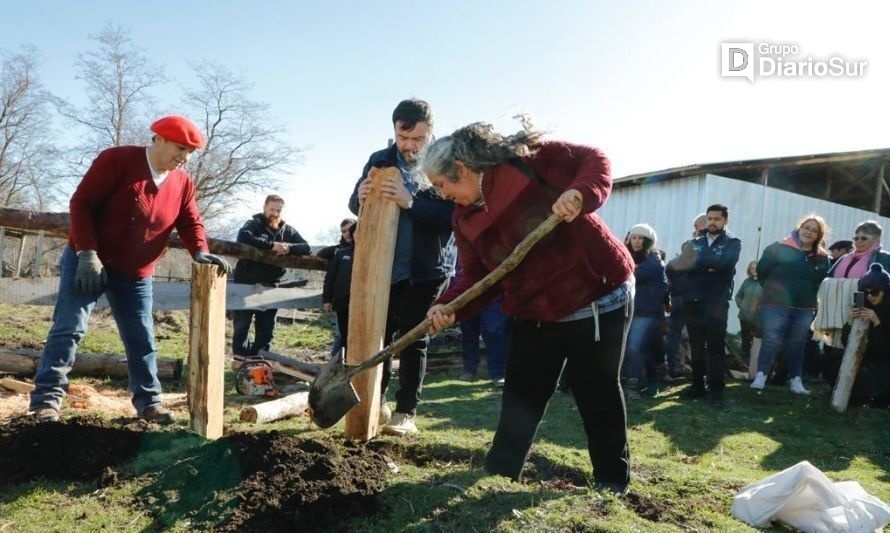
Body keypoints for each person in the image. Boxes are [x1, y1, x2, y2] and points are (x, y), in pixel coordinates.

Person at [423, 119, 635, 495]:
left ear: (463, 169)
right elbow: (477, 277)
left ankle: (612, 481)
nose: (442, 194)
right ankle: (502, 472)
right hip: (535, 307)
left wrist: (581, 193)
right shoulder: (465, 218)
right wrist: (448, 306)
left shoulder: (530, 161)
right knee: (522, 391)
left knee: (595, 389)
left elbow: (595, 160)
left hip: (595, 292)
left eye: (443, 184)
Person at [29, 115, 230, 424]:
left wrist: (200, 251)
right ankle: (45, 402)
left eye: (190, 152)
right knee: (69, 328)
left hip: (136, 272)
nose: (184, 158)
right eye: (180, 148)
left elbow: (190, 221)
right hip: (88, 261)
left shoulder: (181, 182)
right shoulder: (117, 161)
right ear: (159, 139)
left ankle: (149, 404)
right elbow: (81, 203)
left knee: (141, 337)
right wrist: (86, 253)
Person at [348, 98, 453, 436]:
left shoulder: (447, 163)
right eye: (402, 137)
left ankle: (406, 412)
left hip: (426, 270)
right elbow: (353, 203)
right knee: (378, 336)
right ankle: (375, 401)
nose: (408, 146)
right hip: (383, 267)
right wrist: (360, 194)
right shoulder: (380, 159)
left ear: (431, 133)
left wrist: (409, 202)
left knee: (412, 340)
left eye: (417, 139)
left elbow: (452, 217)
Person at [750, 215, 831, 394]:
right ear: (799, 228)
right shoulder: (778, 248)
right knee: (771, 340)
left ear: (819, 235)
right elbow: (763, 271)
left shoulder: (824, 259)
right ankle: (761, 376)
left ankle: (796, 381)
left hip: (805, 308)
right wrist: (773, 292)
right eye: (806, 227)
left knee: (797, 344)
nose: (809, 232)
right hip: (775, 305)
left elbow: (821, 283)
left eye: (814, 230)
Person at [676, 204, 741, 408]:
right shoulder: (694, 242)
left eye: (717, 219)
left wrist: (700, 263)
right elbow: (683, 265)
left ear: (725, 220)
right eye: (710, 218)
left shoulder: (733, 242)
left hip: (717, 302)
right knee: (696, 346)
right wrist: (708, 265)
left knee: (715, 347)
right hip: (692, 300)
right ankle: (697, 386)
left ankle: (717, 391)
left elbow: (724, 264)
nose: (712, 222)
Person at [231, 194, 310, 356]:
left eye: (278, 210)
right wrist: (271, 245)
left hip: (271, 286)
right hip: (246, 282)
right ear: (264, 207)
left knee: (266, 329)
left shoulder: (288, 230)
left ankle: (260, 360)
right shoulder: (254, 224)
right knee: (241, 326)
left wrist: (289, 249)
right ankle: (240, 360)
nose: (275, 213)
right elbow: (244, 238)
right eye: (272, 209)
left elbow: (306, 247)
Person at [622, 223, 668, 400]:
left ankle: (633, 384)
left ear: (648, 241)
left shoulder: (654, 259)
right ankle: (651, 379)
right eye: (634, 237)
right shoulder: (628, 256)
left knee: (633, 346)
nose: (636, 241)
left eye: (641, 238)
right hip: (630, 310)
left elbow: (632, 274)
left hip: (647, 312)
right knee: (639, 347)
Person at [664, 213, 708, 376]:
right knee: (696, 335)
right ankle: (698, 370)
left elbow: (668, 274)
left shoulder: (677, 263)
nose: (694, 231)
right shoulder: (702, 252)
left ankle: (672, 366)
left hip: (678, 298)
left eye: (696, 227)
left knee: (675, 334)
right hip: (692, 299)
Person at [848, 264, 890, 408]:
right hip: (867, 356)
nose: (870, 296)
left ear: (885, 291)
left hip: (884, 359)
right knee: (834, 359)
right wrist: (851, 323)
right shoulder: (863, 304)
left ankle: (881, 399)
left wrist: (877, 322)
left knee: (881, 368)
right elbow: (845, 342)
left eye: (875, 292)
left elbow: (884, 349)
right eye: (866, 293)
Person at [316, 217, 357, 356]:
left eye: (351, 230)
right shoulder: (340, 252)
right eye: (344, 231)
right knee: (343, 335)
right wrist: (326, 299)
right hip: (342, 302)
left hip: (360, 302)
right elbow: (330, 278)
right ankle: (336, 365)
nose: (348, 234)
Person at [459, 294, 512, 387]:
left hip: (493, 294)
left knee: (494, 332)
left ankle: (498, 373)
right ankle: (469, 370)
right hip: (468, 293)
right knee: (468, 332)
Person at [734, 261, 762, 370]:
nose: (754, 269)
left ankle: (754, 366)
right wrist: (742, 306)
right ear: (749, 270)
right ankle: (744, 364)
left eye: (756, 268)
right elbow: (738, 296)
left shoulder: (764, 283)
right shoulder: (746, 282)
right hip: (744, 317)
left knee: (756, 342)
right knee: (745, 342)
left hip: (758, 319)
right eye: (752, 268)